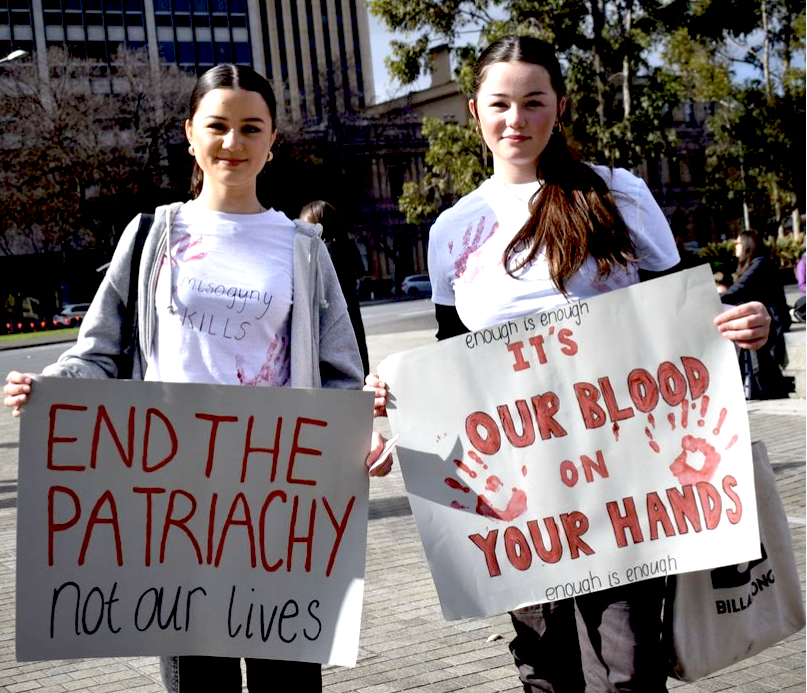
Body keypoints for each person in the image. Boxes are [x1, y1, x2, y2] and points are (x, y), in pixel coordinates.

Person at [365, 35, 772, 693]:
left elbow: (686, 318)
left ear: (561, 106)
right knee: (547, 672)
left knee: (627, 671)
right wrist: (396, 399)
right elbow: (448, 370)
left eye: (533, 102)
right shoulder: (452, 231)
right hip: (517, 500)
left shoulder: (615, 194)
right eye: (500, 104)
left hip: (627, 484)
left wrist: (744, 323)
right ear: (473, 111)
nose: (515, 121)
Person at [3, 63, 392, 693]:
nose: (232, 143)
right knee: (197, 682)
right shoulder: (154, 234)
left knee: (286, 683)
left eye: (250, 128)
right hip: (173, 502)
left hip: (274, 501)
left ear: (272, 141)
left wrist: (363, 434)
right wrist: (50, 390)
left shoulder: (303, 248)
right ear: (190, 133)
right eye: (217, 125)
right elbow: (99, 350)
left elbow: (340, 374)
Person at [718, 230, 792, 399]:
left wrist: (713, 300)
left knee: (764, 371)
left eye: (738, 243)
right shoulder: (750, 265)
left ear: (747, 245)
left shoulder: (761, 263)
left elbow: (738, 291)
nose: (734, 246)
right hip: (762, 326)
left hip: (770, 327)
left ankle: (767, 392)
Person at [299, 200, 370, 376]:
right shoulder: (348, 247)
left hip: (324, 337)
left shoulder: (315, 256)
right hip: (353, 330)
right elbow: (359, 271)